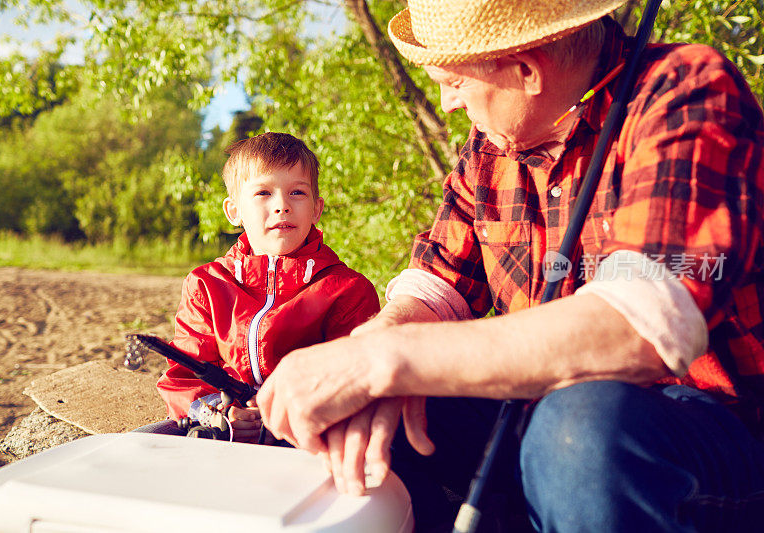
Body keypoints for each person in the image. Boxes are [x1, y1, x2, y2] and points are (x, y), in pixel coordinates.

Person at [256, 0, 764, 530]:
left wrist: (390, 357)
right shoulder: (491, 145)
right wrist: (370, 354)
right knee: (372, 417)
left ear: (526, 69)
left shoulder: (685, 95)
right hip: (544, 417)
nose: (448, 103)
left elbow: (637, 329)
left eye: (453, 82)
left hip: (714, 431)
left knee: (580, 431)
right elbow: (436, 285)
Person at [153, 132, 380, 442]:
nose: (282, 206)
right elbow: (184, 375)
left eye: (297, 192)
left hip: (307, 436)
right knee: (145, 442)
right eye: (263, 193)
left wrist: (287, 414)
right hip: (223, 434)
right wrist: (218, 413)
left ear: (316, 208)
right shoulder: (207, 285)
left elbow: (355, 376)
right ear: (234, 211)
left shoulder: (347, 289)